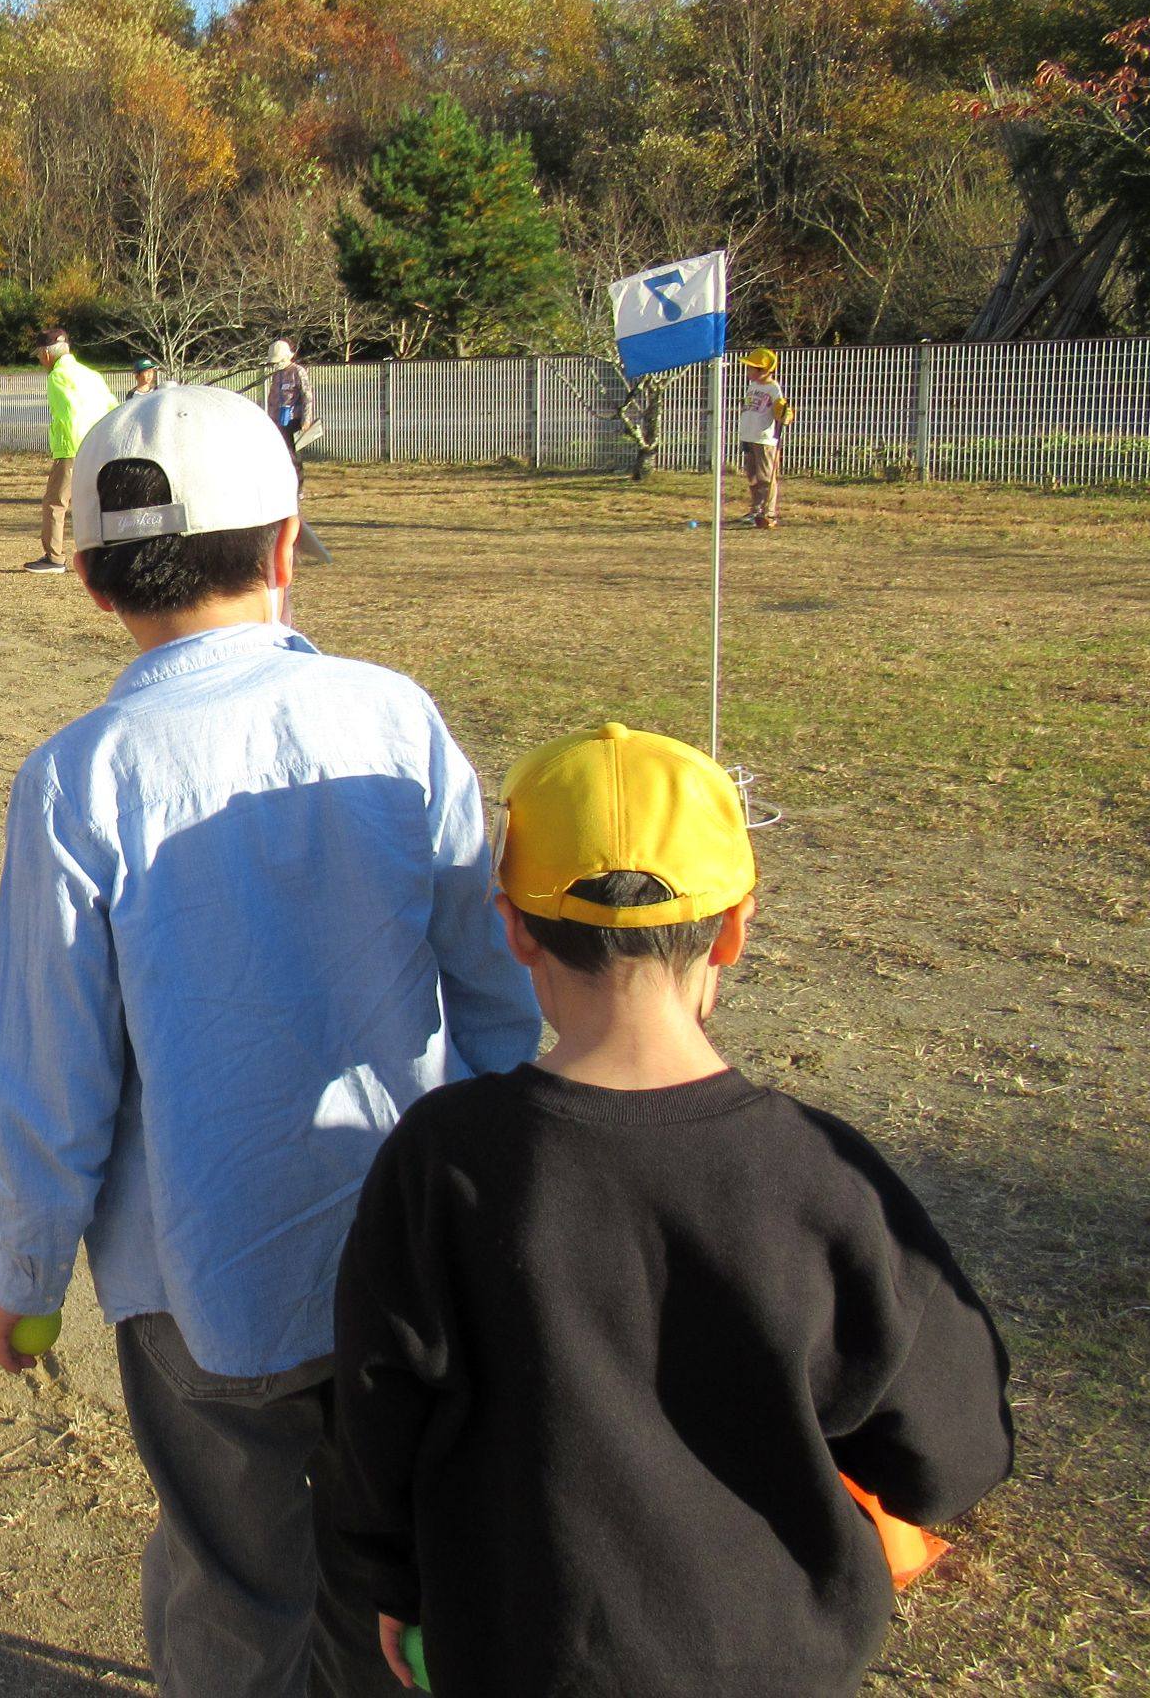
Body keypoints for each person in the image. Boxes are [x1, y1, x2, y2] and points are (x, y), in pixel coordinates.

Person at [0, 383, 539, 1698]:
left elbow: (54, 1075)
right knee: (398, 1556)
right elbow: (494, 986)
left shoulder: (77, 777)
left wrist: (28, 1277)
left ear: (89, 581)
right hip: (405, 1254)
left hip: (200, 1285)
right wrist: (508, 1196)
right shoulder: (393, 717)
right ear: (287, 546)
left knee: (233, 1571)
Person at [319, 723, 1013, 1698]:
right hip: (772, 1660)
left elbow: (379, 1412)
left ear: (516, 928)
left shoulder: (442, 1159)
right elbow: (951, 1453)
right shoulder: (824, 1175)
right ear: (733, 929)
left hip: (524, 1649)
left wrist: (391, 1580)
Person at [25, 326, 113, 573]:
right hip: (100, 445)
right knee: (97, 503)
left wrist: (66, 445)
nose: (40, 361)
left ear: (46, 354)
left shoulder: (57, 376)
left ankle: (54, 558)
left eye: (40, 355)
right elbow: (112, 407)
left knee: (55, 503)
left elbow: (67, 413)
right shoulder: (92, 375)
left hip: (72, 447)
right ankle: (106, 555)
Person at [737, 347, 789, 528]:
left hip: (764, 439)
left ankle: (768, 514)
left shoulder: (773, 388)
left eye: (751, 367)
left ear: (763, 370)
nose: (747, 371)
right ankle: (755, 510)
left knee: (765, 477)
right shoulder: (752, 386)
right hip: (748, 436)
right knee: (751, 476)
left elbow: (780, 411)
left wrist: (784, 414)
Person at [264, 340, 317, 467]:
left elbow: (307, 396)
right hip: (277, 419)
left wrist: (306, 419)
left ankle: (296, 475)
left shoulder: (298, 371)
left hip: (293, 418)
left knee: (290, 451)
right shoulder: (277, 374)